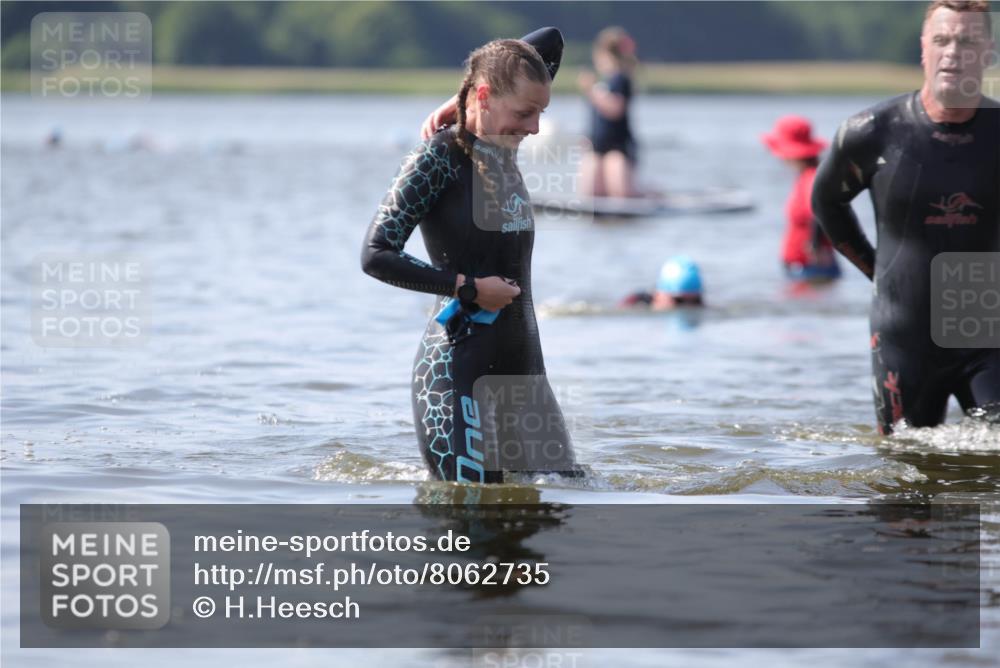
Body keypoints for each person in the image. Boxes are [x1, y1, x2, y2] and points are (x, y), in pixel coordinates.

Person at [363, 30, 581, 483]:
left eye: (541, 113)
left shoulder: (500, 147)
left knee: (563, 507)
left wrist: (457, 96)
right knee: (475, 525)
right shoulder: (439, 156)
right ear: (487, 97)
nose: (535, 128)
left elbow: (549, 42)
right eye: (524, 113)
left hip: (525, 375)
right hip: (458, 371)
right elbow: (376, 254)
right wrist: (470, 288)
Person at [812, 0, 999, 434]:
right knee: (906, 481)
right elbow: (826, 204)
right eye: (942, 39)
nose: (953, 52)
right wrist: (874, 269)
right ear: (923, 49)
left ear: (988, 52)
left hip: (990, 341)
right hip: (903, 341)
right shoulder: (872, 132)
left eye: (967, 41)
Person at [761, 115, 841, 283]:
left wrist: (814, 245)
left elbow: (818, 213)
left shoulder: (811, 177)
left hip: (811, 267)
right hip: (806, 266)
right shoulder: (808, 175)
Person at [577, 27, 641, 198]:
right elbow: (595, 118)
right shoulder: (603, 82)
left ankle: (648, 195)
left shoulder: (621, 79)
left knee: (620, 193)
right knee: (592, 192)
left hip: (618, 146)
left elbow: (615, 109)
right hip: (597, 145)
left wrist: (590, 90)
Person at [620, 256, 705, 310]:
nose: (688, 307)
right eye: (679, 301)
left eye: (696, 301)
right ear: (658, 296)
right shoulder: (634, 306)